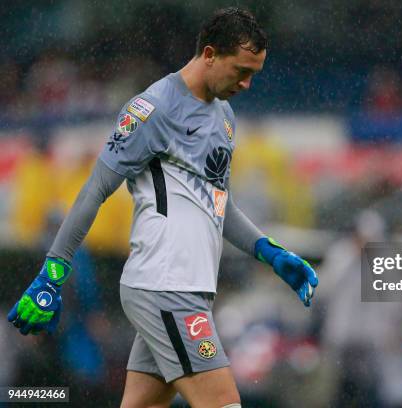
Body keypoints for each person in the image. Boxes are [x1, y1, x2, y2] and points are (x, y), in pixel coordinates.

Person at [7, 8, 318, 408]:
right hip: (167, 286)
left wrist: (271, 253)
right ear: (209, 54)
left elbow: (218, 205)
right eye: (241, 70)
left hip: (188, 288)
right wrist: (52, 273)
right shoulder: (153, 109)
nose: (247, 83)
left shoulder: (224, 116)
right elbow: (94, 190)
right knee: (224, 403)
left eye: (254, 73)